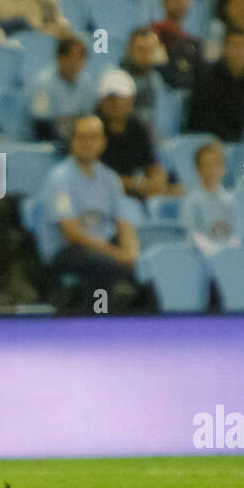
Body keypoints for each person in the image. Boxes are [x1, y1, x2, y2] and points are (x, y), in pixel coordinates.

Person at [33, 115, 142, 312]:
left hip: (102, 247)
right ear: (73, 142)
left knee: (139, 265)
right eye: (81, 138)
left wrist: (131, 252)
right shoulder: (60, 179)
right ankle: (97, 317)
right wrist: (117, 254)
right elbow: (72, 234)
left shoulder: (110, 179)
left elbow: (124, 223)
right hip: (65, 250)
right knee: (105, 264)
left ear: (102, 143)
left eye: (93, 138)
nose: (87, 143)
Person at [95, 68, 171, 199]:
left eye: (121, 97)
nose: (116, 103)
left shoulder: (138, 128)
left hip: (133, 195)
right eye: (111, 98)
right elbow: (93, 176)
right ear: (101, 101)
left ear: (131, 100)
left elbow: (152, 165)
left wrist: (157, 179)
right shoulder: (92, 128)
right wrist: (135, 183)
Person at [188, 26, 244, 141]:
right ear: (224, 48)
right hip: (215, 143)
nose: (239, 51)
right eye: (234, 45)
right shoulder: (207, 79)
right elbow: (201, 121)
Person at [31, 34, 96, 143]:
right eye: (72, 57)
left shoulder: (86, 82)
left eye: (81, 58)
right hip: (42, 141)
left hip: (74, 140)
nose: (77, 63)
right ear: (60, 58)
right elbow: (41, 127)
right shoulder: (43, 83)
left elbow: (88, 119)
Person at [181, 139, 240, 256]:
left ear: (223, 168)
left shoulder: (230, 200)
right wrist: (215, 253)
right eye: (206, 165)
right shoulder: (192, 201)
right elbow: (195, 235)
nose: (212, 170)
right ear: (198, 169)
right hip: (201, 257)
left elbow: (235, 233)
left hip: (227, 255)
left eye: (216, 165)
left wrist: (231, 251)